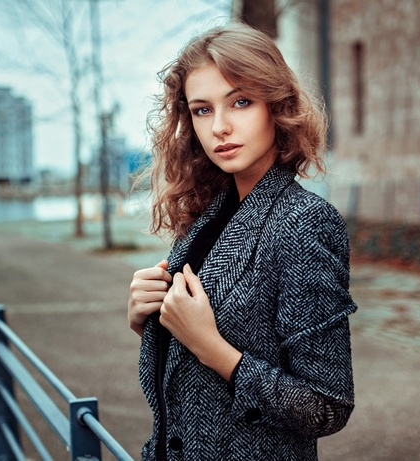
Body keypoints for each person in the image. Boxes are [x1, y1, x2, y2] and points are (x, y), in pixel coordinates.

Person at [127, 22, 357, 461]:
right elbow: (182, 391)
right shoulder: (206, 216)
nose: (220, 127)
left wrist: (213, 349)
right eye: (202, 110)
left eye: (241, 102)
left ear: (277, 105)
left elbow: (327, 406)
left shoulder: (303, 222)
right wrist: (150, 320)